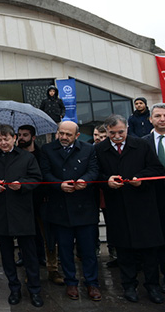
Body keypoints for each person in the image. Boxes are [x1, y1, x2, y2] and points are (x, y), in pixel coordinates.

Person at [96, 114, 164, 304]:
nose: (117, 136)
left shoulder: (141, 145)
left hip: (143, 206)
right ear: (106, 132)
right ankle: (129, 286)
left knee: (149, 251)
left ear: (127, 129)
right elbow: (97, 174)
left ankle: (152, 286)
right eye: (112, 133)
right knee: (124, 251)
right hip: (118, 206)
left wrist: (141, 178)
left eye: (120, 132)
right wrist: (107, 180)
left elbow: (157, 170)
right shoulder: (101, 149)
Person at [0, 124, 44, 307]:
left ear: (14, 138)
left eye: (6, 139)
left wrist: (21, 185)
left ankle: (34, 290)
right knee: (7, 256)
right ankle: (14, 289)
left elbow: (36, 178)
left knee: (30, 255)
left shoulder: (26, 157)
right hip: (0, 213)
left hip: (22, 212)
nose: (3, 143)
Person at [39, 121, 101, 302]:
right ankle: (71, 282)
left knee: (88, 250)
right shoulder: (48, 150)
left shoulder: (88, 149)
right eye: (61, 133)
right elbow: (45, 173)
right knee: (65, 250)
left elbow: (94, 170)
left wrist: (85, 180)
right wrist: (59, 185)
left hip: (84, 207)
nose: (64, 137)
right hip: (60, 208)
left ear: (77, 136)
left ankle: (92, 283)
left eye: (68, 134)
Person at [17, 125, 63, 285]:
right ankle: (31, 271)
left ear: (33, 137)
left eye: (25, 135)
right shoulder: (15, 155)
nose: (21, 138)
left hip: (43, 202)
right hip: (23, 203)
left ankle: (53, 269)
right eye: (19, 135)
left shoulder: (43, 154)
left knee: (48, 238)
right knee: (28, 239)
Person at [142, 103, 165, 291]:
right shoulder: (142, 143)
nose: (162, 119)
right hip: (151, 200)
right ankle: (153, 281)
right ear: (150, 119)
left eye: (164, 115)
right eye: (157, 116)